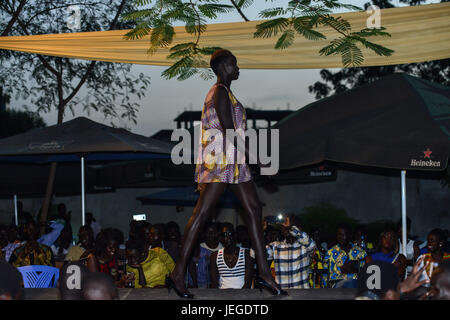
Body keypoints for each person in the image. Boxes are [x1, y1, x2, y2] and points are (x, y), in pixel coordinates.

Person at [167, 49, 286, 298]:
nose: (238, 67)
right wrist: (261, 162)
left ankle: (264, 273)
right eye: (234, 64)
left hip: (234, 160)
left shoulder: (227, 93)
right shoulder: (219, 91)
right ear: (222, 67)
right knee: (201, 214)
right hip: (220, 159)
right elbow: (230, 131)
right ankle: (178, 274)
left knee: (254, 209)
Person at [265, 216, 316, 289]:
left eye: (289, 225)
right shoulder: (275, 246)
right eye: (283, 225)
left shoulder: (304, 246)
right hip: (283, 294)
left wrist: (291, 228)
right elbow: (255, 253)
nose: (285, 227)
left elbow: (312, 245)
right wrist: (260, 231)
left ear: (298, 228)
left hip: (302, 295)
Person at [210, 223, 253, 289]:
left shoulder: (246, 254)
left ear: (235, 235)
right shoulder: (215, 256)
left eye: (230, 234)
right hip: (223, 295)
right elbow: (214, 284)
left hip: (242, 295)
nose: (227, 237)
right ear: (220, 238)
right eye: (224, 235)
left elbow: (247, 284)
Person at [322, 224, 367, 288]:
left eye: (343, 235)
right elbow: (325, 275)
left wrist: (354, 268)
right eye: (338, 235)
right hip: (337, 285)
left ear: (349, 235)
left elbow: (365, 274)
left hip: (356, 285)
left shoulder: (360, 252)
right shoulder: (331, 253)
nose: (340, 237)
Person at [188, 222, 223, 288]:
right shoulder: (198, 248)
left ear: (218, 233)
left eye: (213, 232)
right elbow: (192, 266)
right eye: (208, 232)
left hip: (215, 286)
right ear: (204, 234)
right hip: (196, 285)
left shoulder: (223, 249)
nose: (210, 234)